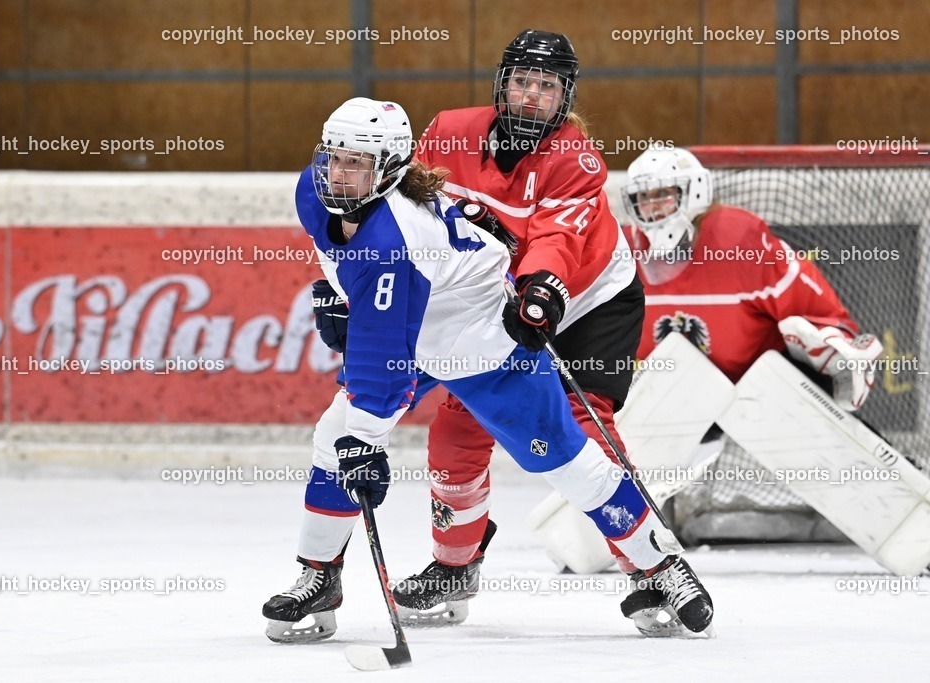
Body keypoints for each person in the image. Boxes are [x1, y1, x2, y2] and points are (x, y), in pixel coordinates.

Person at [261, 97, 714, 643]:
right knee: (333, 437)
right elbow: (354, 271)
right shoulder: (316, 192)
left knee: (567, 459)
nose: (338, 175)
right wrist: (340, 293)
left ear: (389, 170)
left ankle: (659, 564)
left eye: (357, 164)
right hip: (417, 317)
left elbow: (382, 373)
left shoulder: (397, 245)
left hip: (480, 344)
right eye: (333, 158)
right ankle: (318, 573)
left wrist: (366, 440)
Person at [386, 29, 652, 628]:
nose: (532, 97)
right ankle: (455, 565)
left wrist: (539, 289)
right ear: (503, 83)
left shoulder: (577, 158)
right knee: (457, 428)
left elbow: (557, 241)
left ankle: (650, 567)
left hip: (590, 299)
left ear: (565, 97)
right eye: (523, 82)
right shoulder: (449, 131)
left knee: (588, 427)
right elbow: (406, 212)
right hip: (499, 299)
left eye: (547, 87)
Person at [622, 146, 882, 408]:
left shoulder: (739, 243)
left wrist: (834, 343)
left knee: (804, 339)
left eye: (663, 194)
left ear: (695, 191)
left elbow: (819, 312)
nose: (652, 207)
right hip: (683, 400)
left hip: (764, 394)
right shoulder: (622, 252)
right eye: (643, 197)